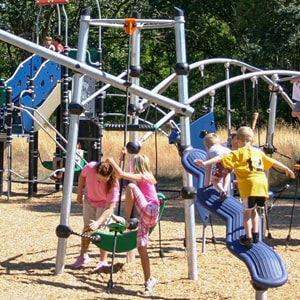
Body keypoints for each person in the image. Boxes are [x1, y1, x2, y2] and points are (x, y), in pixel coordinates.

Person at [194, 126, 295, 248]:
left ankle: (248, 237)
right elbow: (272, 162)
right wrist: (286, 168)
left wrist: (205, 163)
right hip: (262, 185)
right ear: (252, 140)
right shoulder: (258, 152)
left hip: (249, 186)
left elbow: (220, 158)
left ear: (237, 140)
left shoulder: (238, 153)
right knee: (254, 211)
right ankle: (256, 234)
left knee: (246, 213)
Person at [106, 150, 159, 294]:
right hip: (147, 217)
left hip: (150, 210)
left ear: (139, 167)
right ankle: (149, 280)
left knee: (130, 187)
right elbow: (123, 174)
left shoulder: (143, 177)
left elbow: (122, 175)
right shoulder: (146, 177)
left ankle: (125, 219)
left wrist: (111, 161)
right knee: (141, 247)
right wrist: (123, 156)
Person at [70, 161, 120, 271]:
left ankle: (103, 260)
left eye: (103, 180)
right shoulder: (90, 167)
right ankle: (83, 256)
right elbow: (82, 177)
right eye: (99, 179)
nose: (101, 181)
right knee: (87, 228)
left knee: (102, 231)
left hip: (104, 204)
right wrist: (79, 193)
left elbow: (109, 208)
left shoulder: (114, 185)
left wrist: (98, 222)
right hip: (90, 200)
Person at [203, 133, 232, 200]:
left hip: (220, 164)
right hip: (230, 162)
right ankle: (225, 189)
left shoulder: (209, 151)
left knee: (214, 180)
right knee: (227, 174)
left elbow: (208, 169)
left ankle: (222, 191)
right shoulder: (225, 148)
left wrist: (207, 184)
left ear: (207, 146)